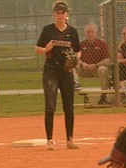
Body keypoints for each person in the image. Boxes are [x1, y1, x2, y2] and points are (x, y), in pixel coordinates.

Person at [35, 1, 81, 151]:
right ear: (54, 14)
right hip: (51, 69)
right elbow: (37, 49)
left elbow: (78, 50)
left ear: (67, 15)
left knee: (69, 106)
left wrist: (75, 59)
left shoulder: (72, 32)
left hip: (66, 71)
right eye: (58, 12)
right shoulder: (48, 30)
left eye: (63, 12)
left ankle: (70, 139)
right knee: (50, 106)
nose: (60, 15)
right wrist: (46, 49)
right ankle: (49, 140)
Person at [75, 23, 111, 99]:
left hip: (97, 69)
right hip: (84, 69)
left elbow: (107, 60)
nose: (90, 34)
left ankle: (104, 94)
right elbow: (77, 58)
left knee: (103, 69)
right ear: (85, 33)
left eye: (92, 32)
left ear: (96, 33)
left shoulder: (102, 44)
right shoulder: (81, 44)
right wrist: (83, 64)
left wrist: (96, 65)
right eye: (88, 32)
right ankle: (76, 85)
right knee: (73, 66)